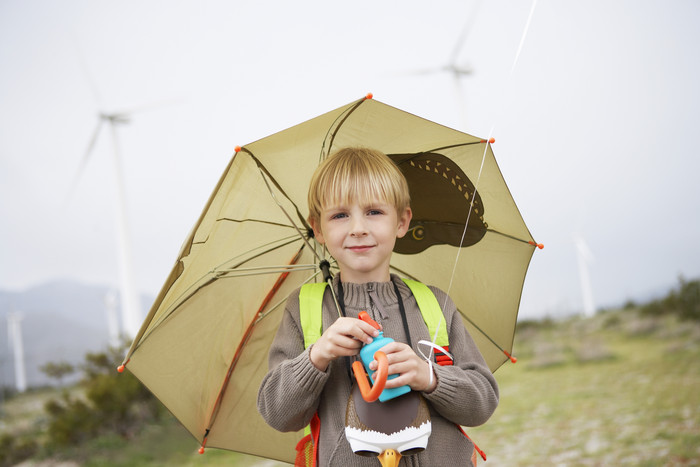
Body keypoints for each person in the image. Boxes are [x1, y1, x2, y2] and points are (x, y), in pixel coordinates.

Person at [257, 147, 499, 466]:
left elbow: (482, 403)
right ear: (318, 229)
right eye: (340, 215)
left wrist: (429, 376)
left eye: (374, 212)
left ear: (402, 221)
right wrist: (317, 356)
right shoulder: (304, 309)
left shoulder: (434, 303)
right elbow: (278, 414)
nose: (358, 227)